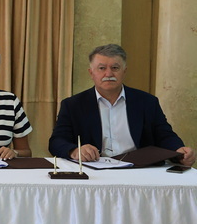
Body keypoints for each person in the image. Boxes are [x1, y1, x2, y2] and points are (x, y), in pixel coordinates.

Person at [49, 43, 195, 166]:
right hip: (93, 168)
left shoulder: (147, 102)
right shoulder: (73, 105)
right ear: (91, 73)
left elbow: (164, 135)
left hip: (139, 170)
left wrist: (179, 151)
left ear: (124, 71)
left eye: (115, 68)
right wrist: (75, 151)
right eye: (102, 68)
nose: (108, 74)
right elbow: (57, 141)